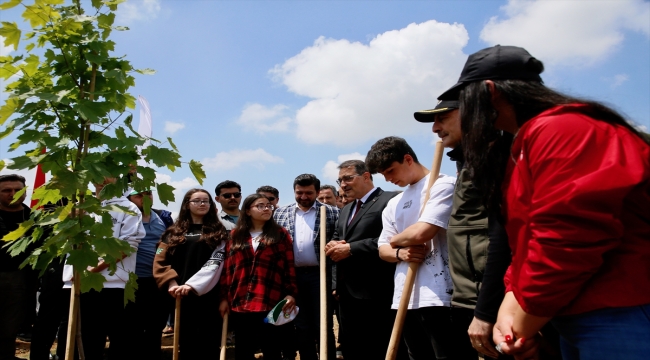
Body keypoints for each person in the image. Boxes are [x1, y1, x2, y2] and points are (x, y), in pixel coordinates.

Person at [442, 44, 650, 359]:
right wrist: (511, 307)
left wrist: (522, 322)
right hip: (574, 312)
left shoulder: (564, 129)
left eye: (465, 99)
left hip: (619, 312)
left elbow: (568, 238)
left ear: (489, 91)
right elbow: (525, 244)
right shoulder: (526, 144)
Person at [414, 100, 511, 359]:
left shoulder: (495, 159)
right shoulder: (467, 163)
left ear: (471, 114)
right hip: (470, 299)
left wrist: (487, 310)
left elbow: (502, 237)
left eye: (442, 118)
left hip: (498, 300)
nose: (435, 128)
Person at [366, 136, 457, 359]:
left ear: (407, 159)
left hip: (439, 294)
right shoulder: (394, 203)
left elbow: (423, 232)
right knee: (417, 355)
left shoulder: (443, 184)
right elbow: (382, 250)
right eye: (383, 174)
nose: (388, 179)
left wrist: (395, 241)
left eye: (390, 171)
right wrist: (400, 252)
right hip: (404, 297)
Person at [60, 177, 145, 360]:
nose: (103, 178)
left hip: (113, 285)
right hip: (76, 284)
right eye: (97, 171)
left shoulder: (127, 208)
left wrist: (91, 271)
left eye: (109, 172)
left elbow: (127, 246)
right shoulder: (80, 205)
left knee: (119, 339)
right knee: (80, 340)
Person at [324, 160, 401, 360]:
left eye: (348, 178)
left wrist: (352, 248)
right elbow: (337, 237)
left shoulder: (390, 200)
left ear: (366, 176)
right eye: (340, 180)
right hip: (347, 293)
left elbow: (394, 238)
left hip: (378, 290)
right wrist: (332, 246)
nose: (343, 184)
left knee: (379, 346)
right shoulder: (346, 210)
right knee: (353, 347)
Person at [219, 194, 298, 360]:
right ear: (248, 211)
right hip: (240, 301)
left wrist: (291, 292)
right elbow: (227, 270)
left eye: (269, 206)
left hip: (270, 299)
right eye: (260, 206)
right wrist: (224, 298)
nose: (266, 209)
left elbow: (289, 266)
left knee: (272, 348)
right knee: (244, 349)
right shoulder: (235, 235)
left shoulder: (280, 234)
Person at [153, 189, 230, 359]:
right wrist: (172, 284)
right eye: (197, 201)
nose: (202, 204)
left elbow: (228, 265)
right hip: (181, 295)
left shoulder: (220, 233)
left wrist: (224, 296)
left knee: (210, 344)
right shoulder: (172, 233)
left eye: (206, 201)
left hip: (211, 297)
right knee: (186, 344)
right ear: (187, 205)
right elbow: (160, 261)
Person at [274, 174, 339, 360]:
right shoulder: (280, 213)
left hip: (320, 276)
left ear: (317, 192)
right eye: (299, 192)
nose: (303, 197)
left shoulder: (332, 212)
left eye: (308, 193)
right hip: (293, 277)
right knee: (301, 325)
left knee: (323, 323)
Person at [125, 189, 173, 359]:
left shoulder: (163, 217)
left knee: (156, 326)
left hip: (158, 282)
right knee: (133, 328)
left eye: (148, 193)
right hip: (132, 281)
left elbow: (169, 245)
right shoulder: (124, 218)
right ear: (129, 198)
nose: (145, 198)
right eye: (139, 195)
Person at [0, 174, 34, 360]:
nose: (12, 194)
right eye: (6, 190)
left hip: (19, 283)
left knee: (8, 330)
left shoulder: (36, 221)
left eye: (17, 190)